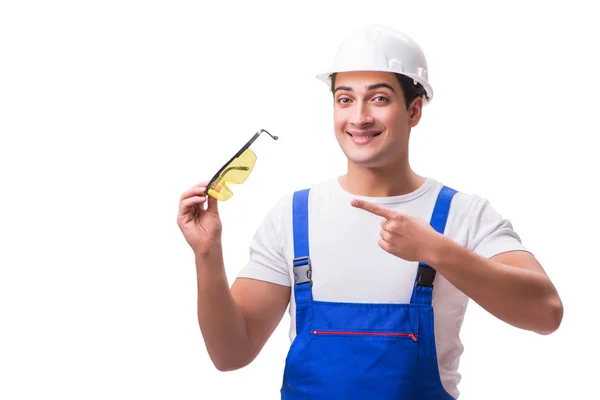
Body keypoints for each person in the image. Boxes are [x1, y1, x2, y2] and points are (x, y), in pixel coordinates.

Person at [176, 24, 563, 399]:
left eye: (379, 98)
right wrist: (207, 255)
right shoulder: (294, 216)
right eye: (345, 99)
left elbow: (546, 313)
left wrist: (436, 250)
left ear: (414, 111)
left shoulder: (463, 214)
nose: (359, 117)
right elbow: (231, 353)